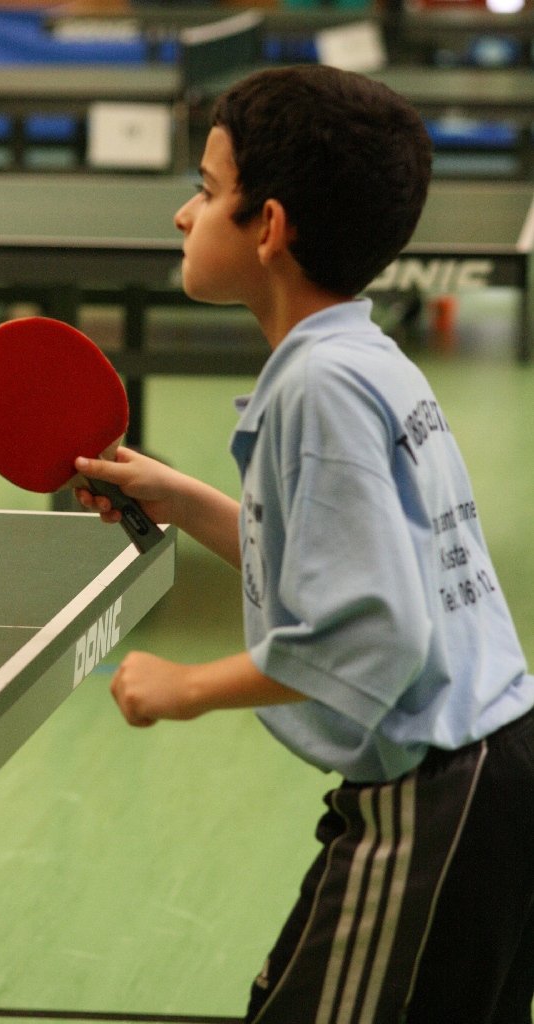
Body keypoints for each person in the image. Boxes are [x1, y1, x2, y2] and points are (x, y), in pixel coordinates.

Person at [74, 65, 534, 1024]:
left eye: (206, 191)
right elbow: (341, 568)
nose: (182, 215)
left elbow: (371, 634)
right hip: (490, 768)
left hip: (433, 794)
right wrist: (181, 499)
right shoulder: (363, 358)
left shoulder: (316, 390)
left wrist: (186, 687)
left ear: (269, 228)